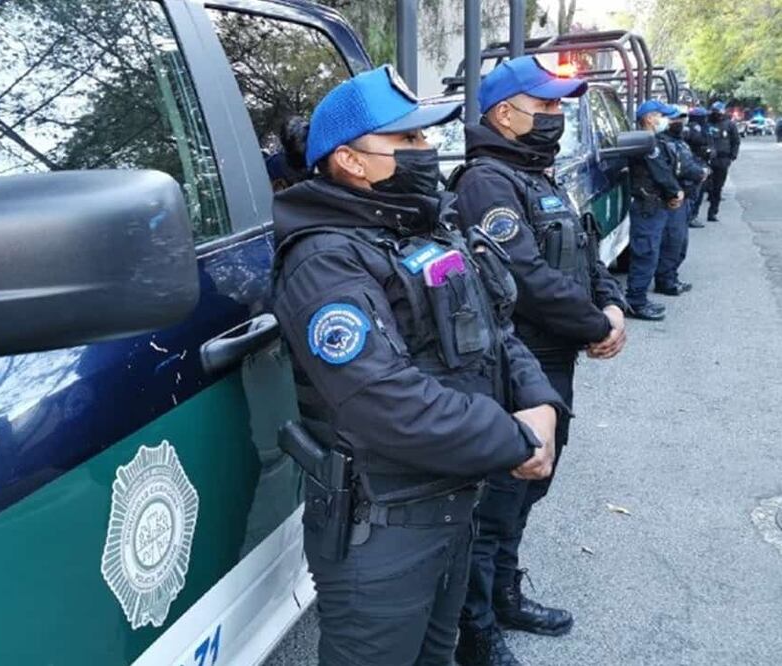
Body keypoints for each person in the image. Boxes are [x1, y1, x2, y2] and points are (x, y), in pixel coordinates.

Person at [269, 65, 567, 666]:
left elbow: (496, 331)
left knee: (439, 653)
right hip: (383, 527)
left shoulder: (421, 228)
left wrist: (539, 402)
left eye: (425, 138)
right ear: (350, 161)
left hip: (453, 502)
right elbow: (386, 402)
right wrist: (515, 437)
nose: (426, 151)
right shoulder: (325, 262)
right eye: (407, 141)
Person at [448, 55, 628, 666]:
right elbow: (523, 275)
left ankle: (504, 594)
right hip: (515, 365)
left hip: (555, 360)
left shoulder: (538, 175)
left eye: (559, 106)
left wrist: (612, 303)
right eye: (545, 105)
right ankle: (476, 631)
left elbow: (583, 248)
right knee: (498, 498)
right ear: (505, 113)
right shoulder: (486, 182)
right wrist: (593, 324)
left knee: (529, 492)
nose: (556, 116)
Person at [626, 100, 683, 321]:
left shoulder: (651, 140)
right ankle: (636, 302)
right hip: (647, 205)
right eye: (661, 115)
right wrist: (675, 192)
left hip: (653, 204)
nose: (665, 120)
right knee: (645, 253)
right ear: (649, 118)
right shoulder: (645, 142)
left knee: (649, 252)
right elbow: (660, 173)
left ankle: (638, 298)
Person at [652, 106, 702, 294]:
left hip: (685, 197)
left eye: (681, 120)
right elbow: (675, 171)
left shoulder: (679, 142)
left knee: (680, 243)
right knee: (672, 242)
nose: (678, 123)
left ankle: (671, 277)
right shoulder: (663, 144)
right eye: (674, 120)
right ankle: (666, 281)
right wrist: (699, 173)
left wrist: (701, 170)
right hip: (673, 199)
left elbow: (689, 162)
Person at [705, 101, 740, 222]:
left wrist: (732, 156)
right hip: (707, 159)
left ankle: (713, 212)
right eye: (715, 112)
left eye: (719, 113)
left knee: (717, 187)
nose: (717, 115)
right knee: (705, 185)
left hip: (722, 160)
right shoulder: (707, 123)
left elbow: (736, 141)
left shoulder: (729, 125)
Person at [684, 107, 713, 225]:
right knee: (694, 192)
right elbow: (698, 140)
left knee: (699, 192)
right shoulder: (692, 128)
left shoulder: (704, 128)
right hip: (694, 162)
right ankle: (690, 216)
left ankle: (693, 215)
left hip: (702, 161)